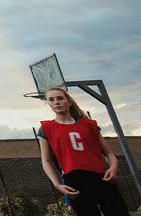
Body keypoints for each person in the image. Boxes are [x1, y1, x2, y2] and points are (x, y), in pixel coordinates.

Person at [38, 85, 129, 216]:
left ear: (69, 102)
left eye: (60, 98)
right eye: (51, 100)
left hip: (101, 177)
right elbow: (46, 161)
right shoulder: (46, 128)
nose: (56, 102)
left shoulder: (89, 125)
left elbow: (109, 154)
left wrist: (113, 168)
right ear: (48, 104)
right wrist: (58, 185)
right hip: (74, 182)